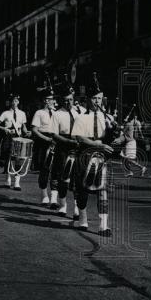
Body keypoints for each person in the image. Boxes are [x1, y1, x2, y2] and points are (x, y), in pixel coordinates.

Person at [70, 78, 114, 236]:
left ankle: (103, 225)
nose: (97, 101)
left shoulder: (108, 118)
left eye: (100, 98)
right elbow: (79, 138)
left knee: (103, 189)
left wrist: (117, 136)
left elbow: (120, 138)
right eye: (94, 98)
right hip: (86, 154)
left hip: (103, 157)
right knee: (83, 189)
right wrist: (99, 145)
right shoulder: (81, 117)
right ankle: (83, 220)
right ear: (88, 99)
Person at [50, 84, 81, 217]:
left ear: (73, 99)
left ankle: (76, 207)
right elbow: (54, 134)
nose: (69, 102)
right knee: (63, 177)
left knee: (76, 179)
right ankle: (63, 205)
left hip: (77, 147)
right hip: (63, 147)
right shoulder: (57, 114)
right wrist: (68, 141)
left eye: (70, 100)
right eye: (66, 100)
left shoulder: (79, 113)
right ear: (62, 100)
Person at [0, 94, 29, 190]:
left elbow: (24, 126)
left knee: (18, 159)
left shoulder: (22, 113)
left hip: (18, 137)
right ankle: (8, 180)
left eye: (16, 101)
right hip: (8, 137)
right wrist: (4, 128)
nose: (15, 103)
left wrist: (27, 132)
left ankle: (17, 183)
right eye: (13, 101)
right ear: (10, 102)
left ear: (18, 102)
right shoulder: (5, 113)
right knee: (8, 159)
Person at [31, 85, 57, 205]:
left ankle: (54, 198)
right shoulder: (39, 113)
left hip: (55, 141)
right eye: (51, 99)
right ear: (46, 101)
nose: (53, 101)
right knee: (44, 170)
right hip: (43, 143)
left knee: (56, 170)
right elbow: (35, 130)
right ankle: (44, 195)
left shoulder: (56, 113)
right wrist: (46, 139)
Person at [119, 110, 147, 177]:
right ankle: (130, 172)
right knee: (124, 158)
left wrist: (121, 127)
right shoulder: (133, 123)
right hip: (130, 142)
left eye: (126, 117)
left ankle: (142, 167)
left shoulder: (129, 124)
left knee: (128, 159)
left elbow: (122, 132)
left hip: (130, 143)